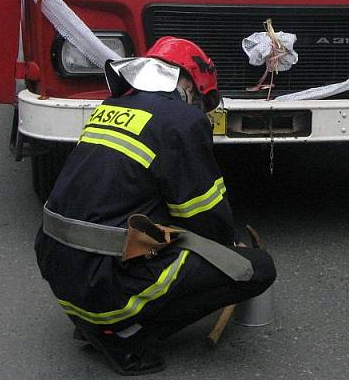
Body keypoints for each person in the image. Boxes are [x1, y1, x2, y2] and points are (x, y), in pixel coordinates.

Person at [35, 36, 276, 375]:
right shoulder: (181, 119)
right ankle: (124, 334)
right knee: (258, 269)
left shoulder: (111, 107)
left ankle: (94, 321)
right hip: (106, 280)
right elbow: (204, 214)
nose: (199, 108)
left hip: (59, 262)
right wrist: (230, 247)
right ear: (191, 83)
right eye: (201, 100)